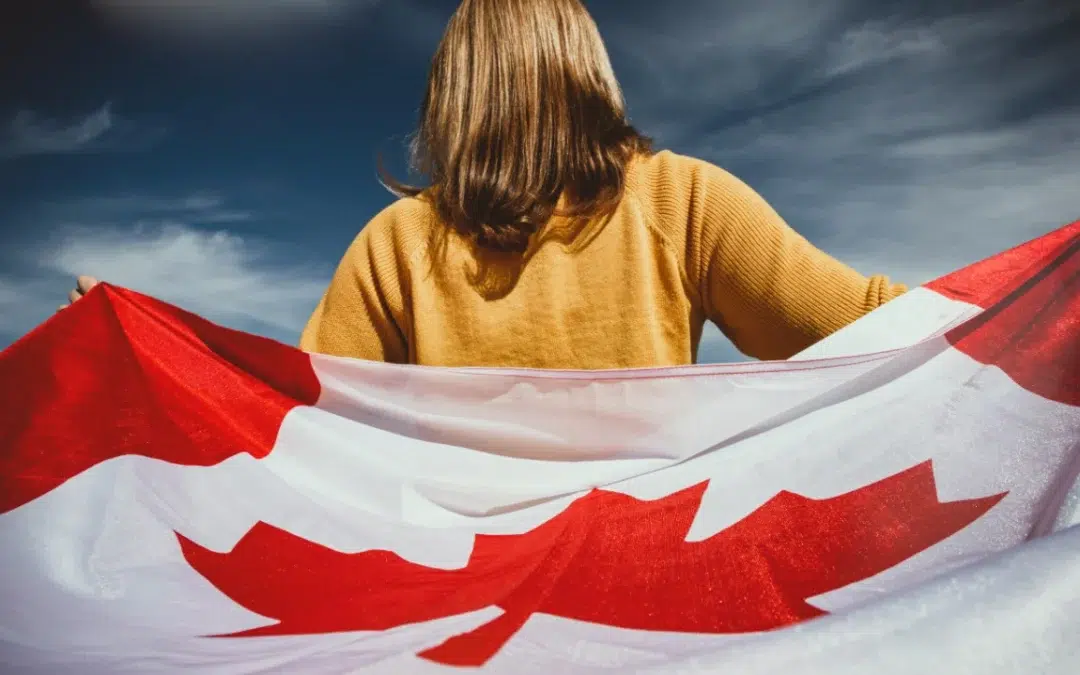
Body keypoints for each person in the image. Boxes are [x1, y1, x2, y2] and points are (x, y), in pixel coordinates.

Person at [64, 0, 906, 369]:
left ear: (455, 90)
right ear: (590, 72)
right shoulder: (683, 199)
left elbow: (288, 412)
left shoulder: (395, 243)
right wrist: (1033, 296)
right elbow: (862, 321)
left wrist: (153, 347)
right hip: (649, 591)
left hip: (452, 604)